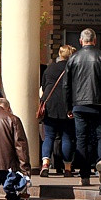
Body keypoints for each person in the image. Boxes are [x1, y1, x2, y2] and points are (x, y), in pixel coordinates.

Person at [64, 28, 101, 186]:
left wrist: (68, 107)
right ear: (95, 40)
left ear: (81, 41)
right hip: (100, 104)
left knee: (82, 139)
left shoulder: (73, 58)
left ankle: (84, 175)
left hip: (79, 104)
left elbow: (66, 85)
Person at [39, 45, 76, 177]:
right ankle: (67, 168)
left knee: (49, 136)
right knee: (67, 137)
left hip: (50, 105)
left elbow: (43, 86)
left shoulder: (50, 68)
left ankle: (45, 164)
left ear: (60, 55)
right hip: (67, 106)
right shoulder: (73, 69)